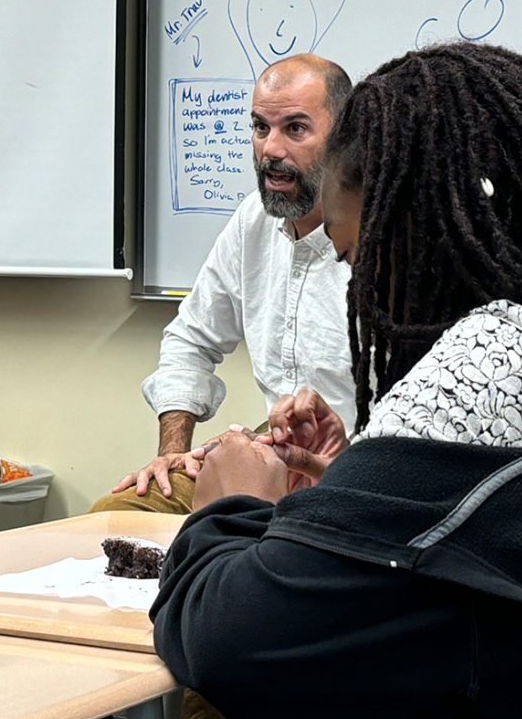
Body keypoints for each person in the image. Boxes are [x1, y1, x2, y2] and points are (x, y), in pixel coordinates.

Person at [151, 42, 522, 717]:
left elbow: (229, 640)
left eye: (353, 249)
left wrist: (230, 507)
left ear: (407, 225)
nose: (357, 281)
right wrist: (353, 479)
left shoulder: (483, 360)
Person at [93, 53, 355, 513]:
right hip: (277, 454)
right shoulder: (253, 220)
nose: (270, 149)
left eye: (295, 129)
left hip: (355, 470)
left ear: (344, 140)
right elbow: (190, 339)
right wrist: (173, 451)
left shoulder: (389, 238)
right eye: (260, 127)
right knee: (118, 515)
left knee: (261, 544)